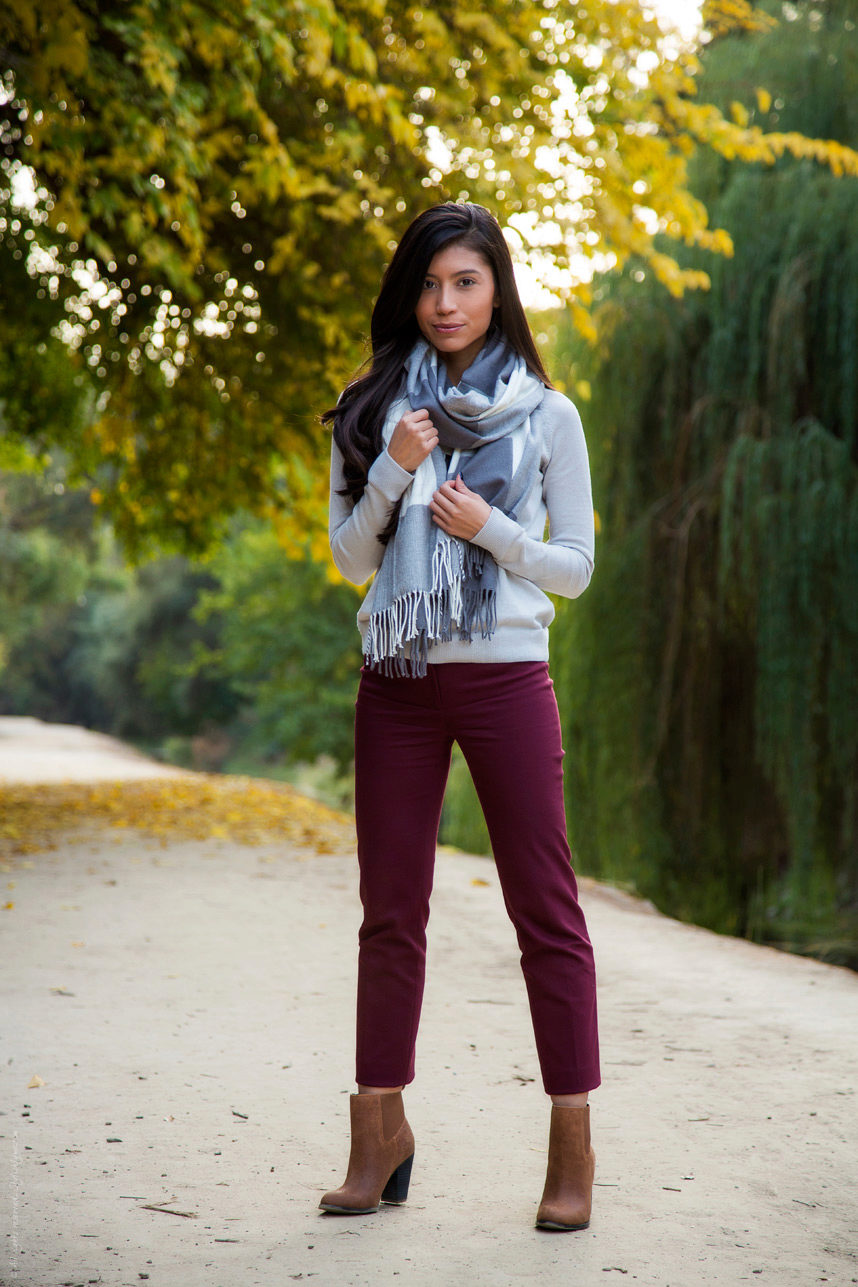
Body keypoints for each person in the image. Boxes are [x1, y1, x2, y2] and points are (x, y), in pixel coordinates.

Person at [320, 201, 600, 1231]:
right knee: (390, 913)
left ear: (496, 290)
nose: (445, 303)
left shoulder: (547, 415)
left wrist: (491, 531)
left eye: (466, 283)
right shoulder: (368, 409)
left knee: (546, 912)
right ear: (410, 293)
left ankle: (571, 1145)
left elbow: (575, 566)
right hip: (395, 678)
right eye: (430, 284)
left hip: (505, 677)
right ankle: (376, 1132)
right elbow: (350, 558)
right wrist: (395, 466)